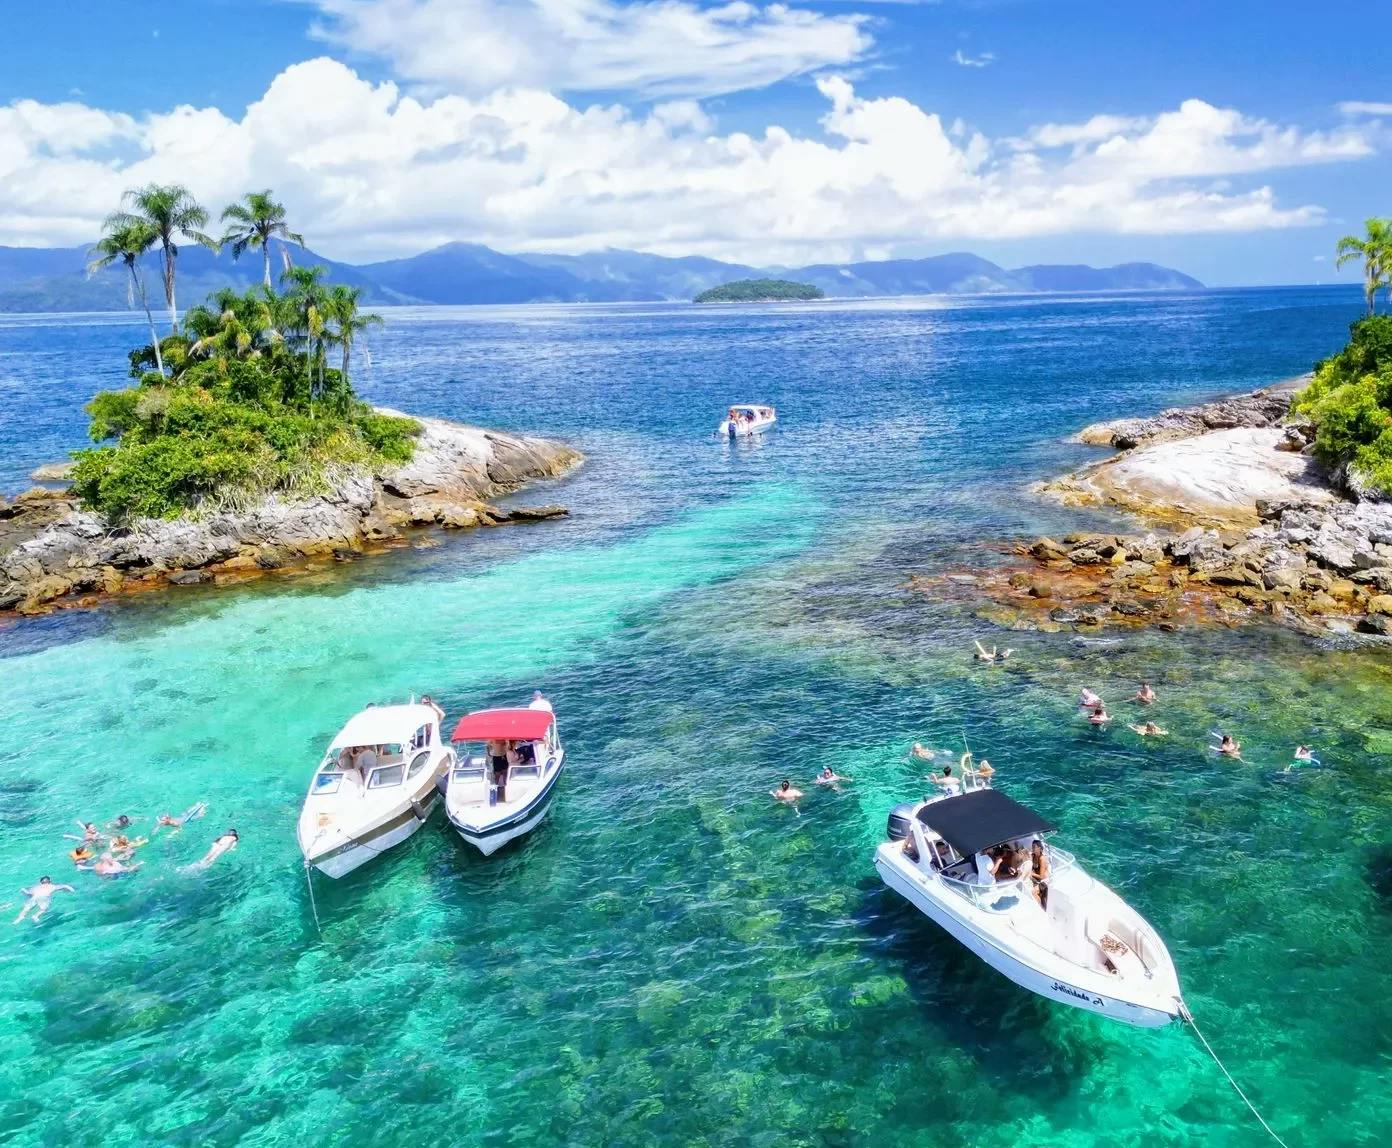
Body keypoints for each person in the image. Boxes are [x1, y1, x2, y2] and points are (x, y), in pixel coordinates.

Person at [1029, 839, 1051, 908]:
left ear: (1039, 848)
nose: (1032, 848)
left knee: (1033, 892)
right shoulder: (1033, 856)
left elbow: (1042, 876)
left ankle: (1041, 908)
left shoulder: (1042, 859)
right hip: (1036, 879)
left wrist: (1031, 874)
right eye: (1032, 846)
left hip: (1044, 881)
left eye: (1034, 847)